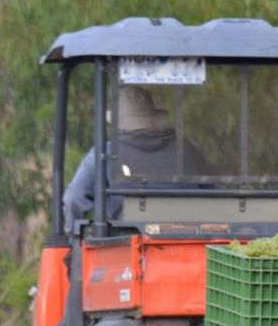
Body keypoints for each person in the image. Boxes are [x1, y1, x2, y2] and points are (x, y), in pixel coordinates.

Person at [63, 85, 209, 227]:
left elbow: (74, 198)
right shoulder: (187, 150)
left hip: (125, 243)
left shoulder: (103, 152)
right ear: (153, 118)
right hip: (187, 241)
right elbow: (213, 198)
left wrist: (74, 236)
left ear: (118, 123)